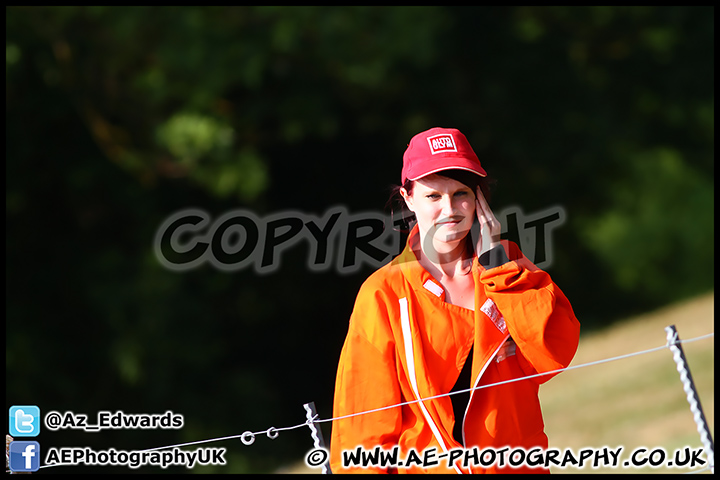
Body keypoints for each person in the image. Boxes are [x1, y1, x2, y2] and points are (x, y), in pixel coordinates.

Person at [329, 127, 580, 474]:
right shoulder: (384, 293)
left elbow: (554, 352)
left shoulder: (506, 264)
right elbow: (361, 430)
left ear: (479, 198)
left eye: (461, 193)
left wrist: (497, 268)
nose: (450, 209)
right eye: (434, 196)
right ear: (408, 198)